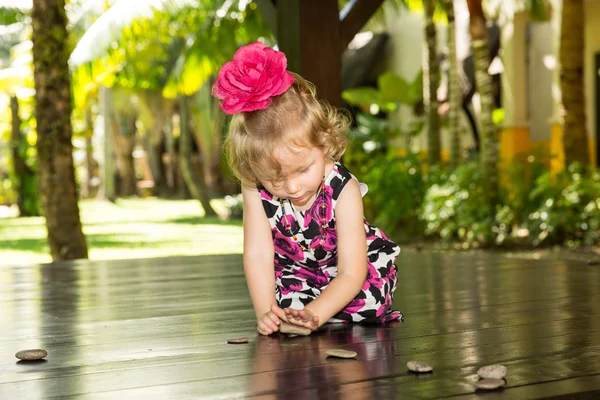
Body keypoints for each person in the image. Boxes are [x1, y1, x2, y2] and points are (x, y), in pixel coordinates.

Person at [212, 41, 402, 336]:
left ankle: (323, 313)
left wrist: (315, 314)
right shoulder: (255, 187)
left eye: (303, 169)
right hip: (298, 273)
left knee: (369, 300)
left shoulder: (343, 188)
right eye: (275, 178)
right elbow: (258, 255)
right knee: (285, 305)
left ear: (324, 144)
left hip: (350, 270)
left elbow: (352, 272)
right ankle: (303, 313)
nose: (292, 186)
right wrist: (267, 313)